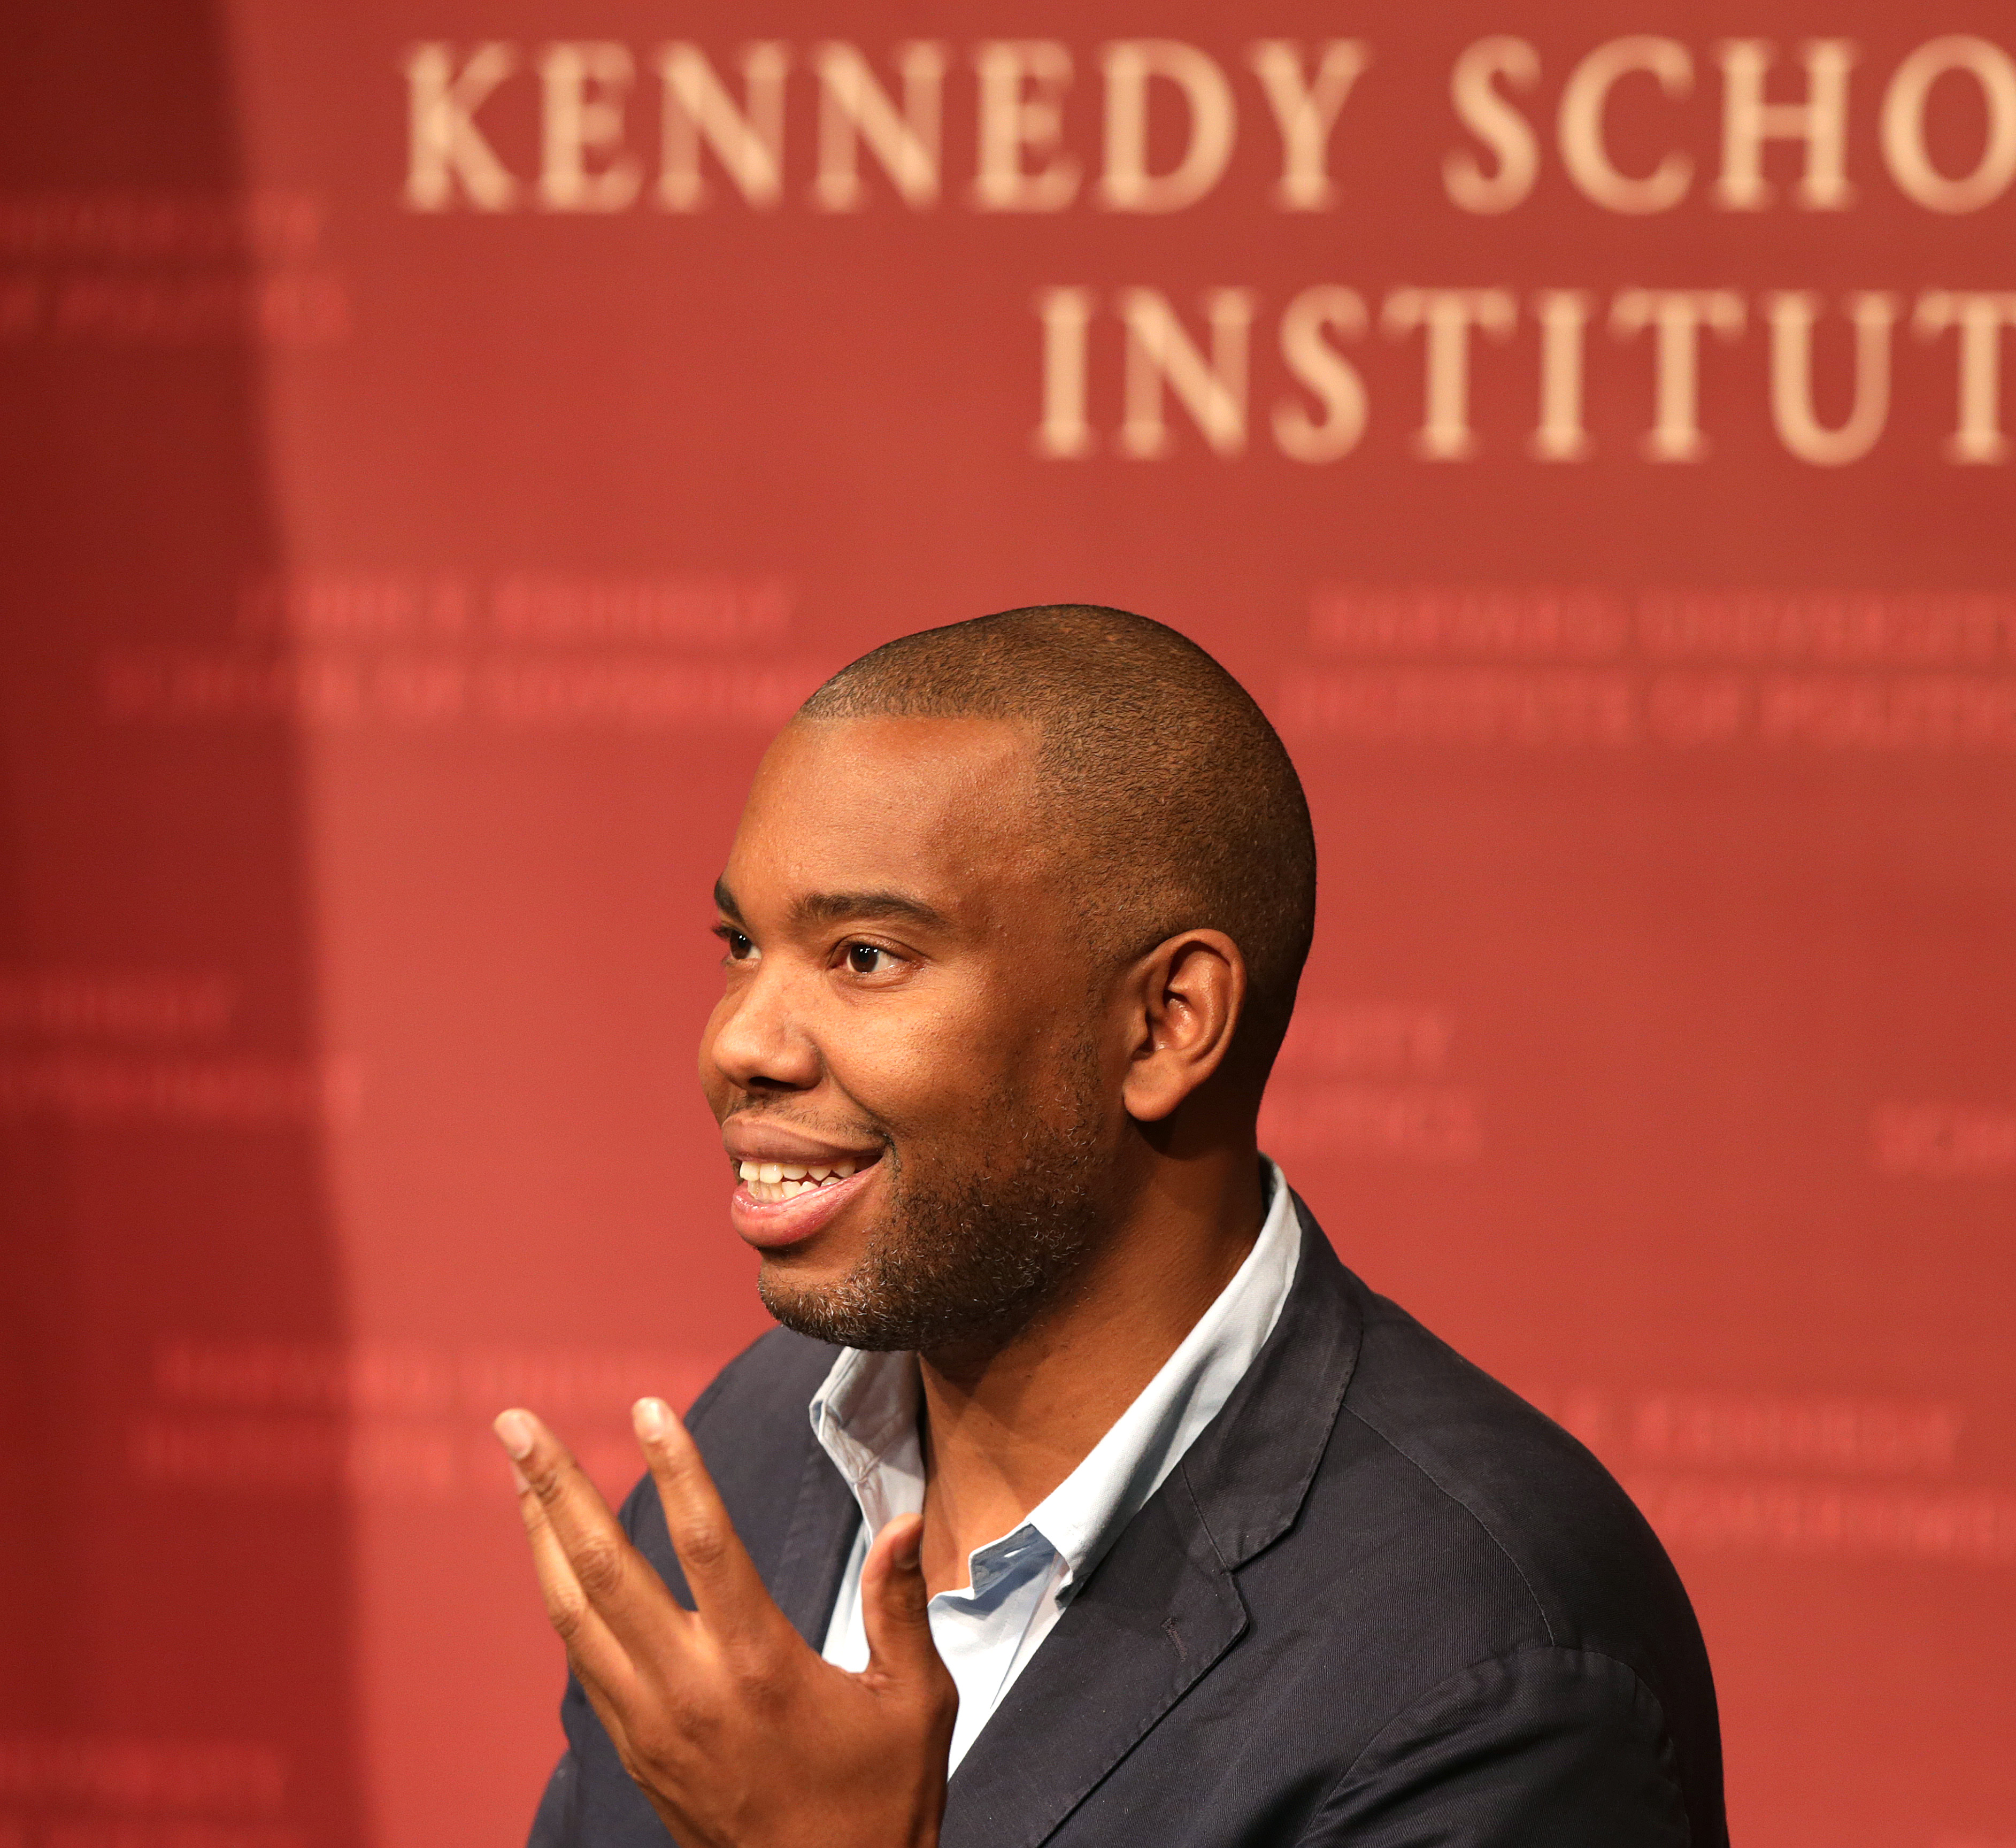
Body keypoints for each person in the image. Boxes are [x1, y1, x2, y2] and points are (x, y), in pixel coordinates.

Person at [498, 605, 1726, 1848]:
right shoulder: (753, 1451)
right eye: (741, 944)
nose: (739, 1045)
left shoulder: (1489, 1662)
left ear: (1165, 1023)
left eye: (865, 957)